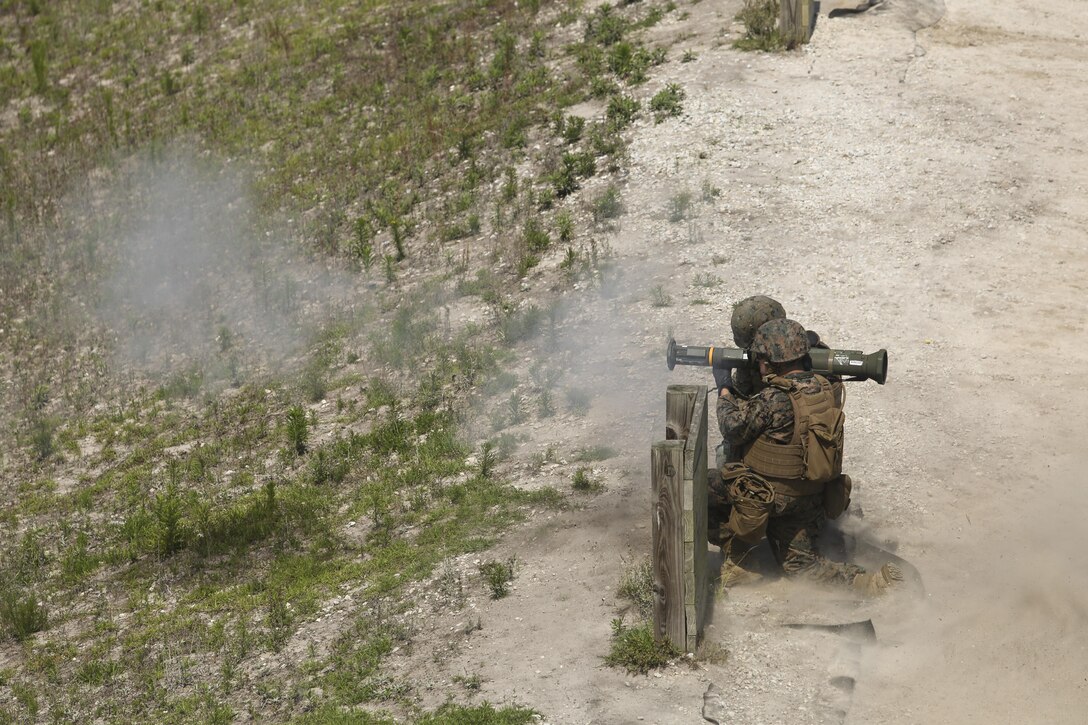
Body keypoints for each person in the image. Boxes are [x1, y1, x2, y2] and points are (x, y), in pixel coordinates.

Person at [710, 318, 899, 594]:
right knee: (803, 569)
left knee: (698, 488)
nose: (759, 365)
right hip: (809, 499)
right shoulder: (824, 387)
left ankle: (742, 562)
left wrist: (725, 388)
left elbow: (733, 428)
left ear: (772, 362)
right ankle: (871, 583)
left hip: (769, 499)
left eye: (762, 359)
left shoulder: (774, 397)